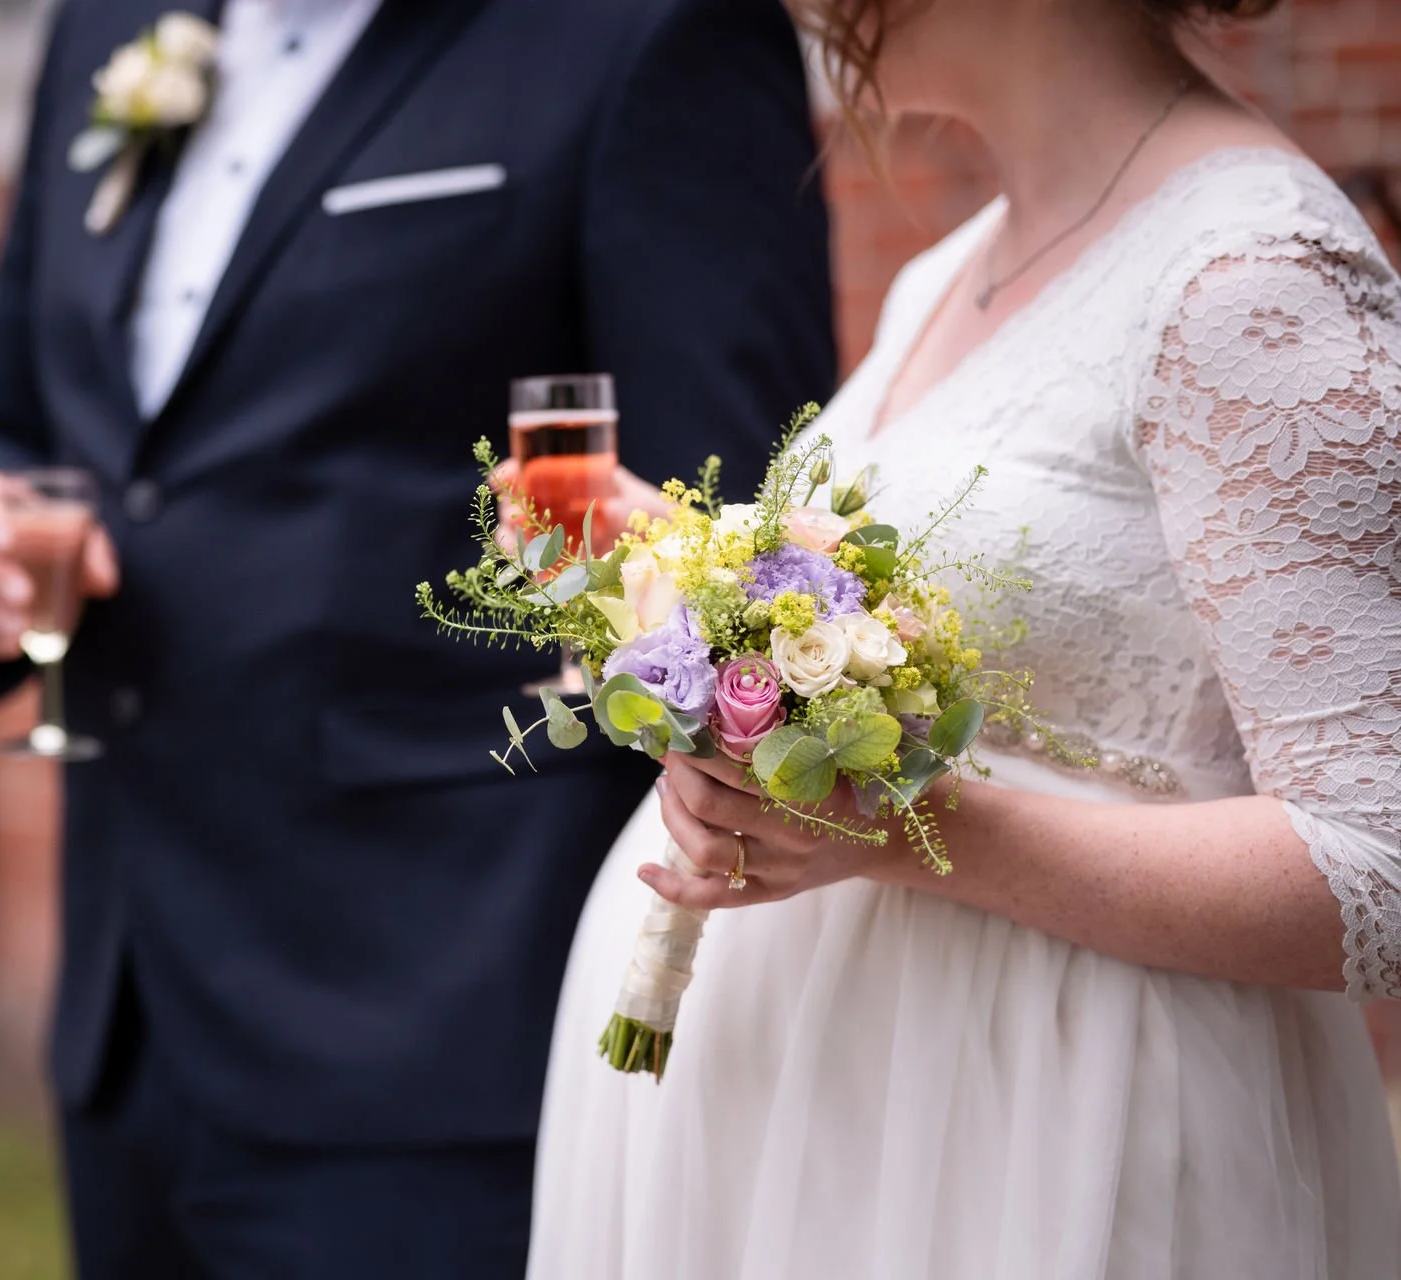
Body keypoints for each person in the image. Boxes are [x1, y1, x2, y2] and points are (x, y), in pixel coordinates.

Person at [0, 0, 833, 1272]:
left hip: (436, 1018)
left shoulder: (644, 36)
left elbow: (741, 531)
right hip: (129, 994)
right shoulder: (103, 29)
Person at [529, 0, 1401, 1275]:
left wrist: (907, 830)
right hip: (831, 1142)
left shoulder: (1250, 275)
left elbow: (1378, 865)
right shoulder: (952, 268)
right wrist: (689, 575)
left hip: (1054, 1141)